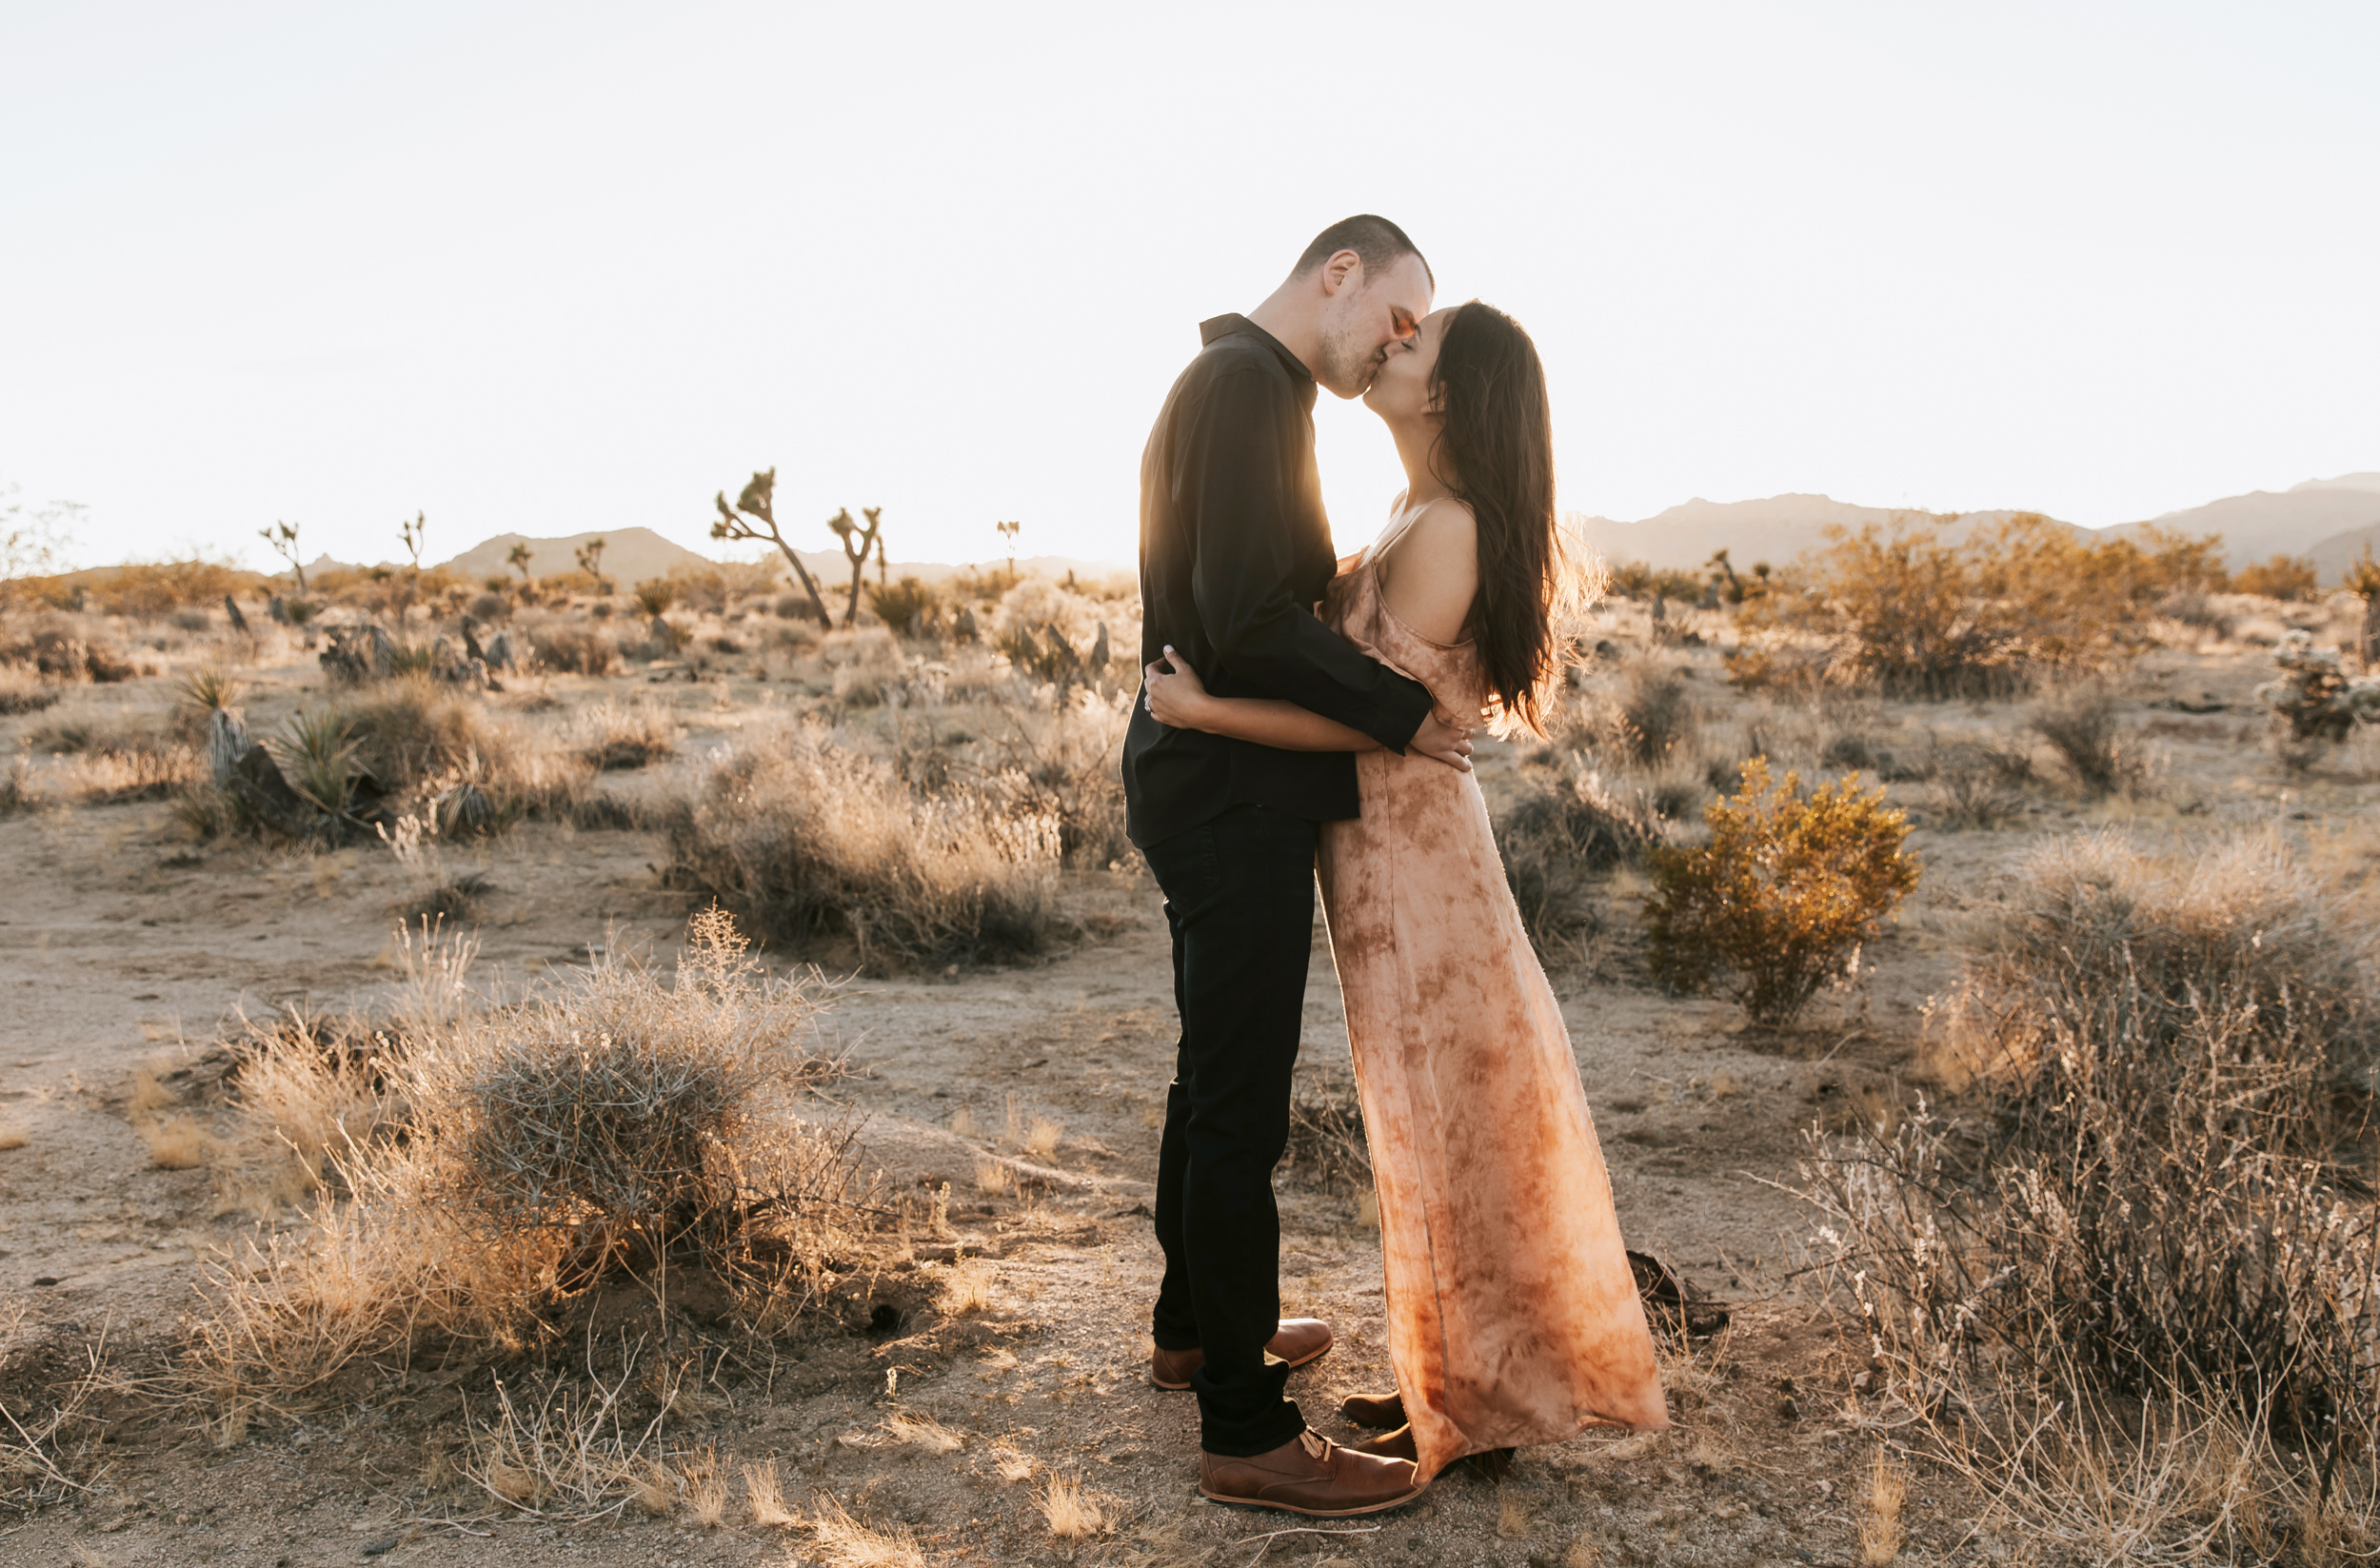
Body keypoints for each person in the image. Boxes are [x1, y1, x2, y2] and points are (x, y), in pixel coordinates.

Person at [1142, 299, 1671, 1486]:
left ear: (1448, 393)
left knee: (1453, 1112)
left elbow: (1370, 722)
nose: (1391, 345)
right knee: (1428, 1114)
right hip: (1378, 850)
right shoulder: (1412, 512)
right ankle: (1472, 1373)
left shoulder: (1449, 529)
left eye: (1417, 342)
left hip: (1414, 854)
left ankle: (1493, 1384)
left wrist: (1207, 711)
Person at [1123, 215, 1478, 1518]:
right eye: (1397, 313)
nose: (1397, 340)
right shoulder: (1243, 390)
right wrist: (1405, 705)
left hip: (1209, 785)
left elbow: (1255, 592)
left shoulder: (1252, 392)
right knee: (1240, 1112)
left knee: (1208, 1076)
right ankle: (1249, 1430)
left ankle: (1196, 1328)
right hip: (1228, 796)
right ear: (1342, 271)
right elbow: (1242, 622)